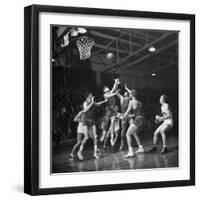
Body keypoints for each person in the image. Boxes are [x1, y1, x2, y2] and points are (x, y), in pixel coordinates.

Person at [83, 92, 107, 159]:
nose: (91, 95)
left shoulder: (92, 102)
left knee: (95, 136)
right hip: (86, 121)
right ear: (87, 96)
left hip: (92, 121)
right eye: (90, 94)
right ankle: (80, 150)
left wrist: (104, 101)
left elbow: (97, 104)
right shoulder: (85, 102)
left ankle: (95, 153)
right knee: (86, 137)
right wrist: (92, 102)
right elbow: (85, 110)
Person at [122, 89, 145, 158]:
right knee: (134, 132)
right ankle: (140, 147)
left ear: (131, 95)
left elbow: (127, 112)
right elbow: (136, 113)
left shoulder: (131, 102)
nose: (129, 95)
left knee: (127, 134)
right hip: (142, 119)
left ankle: (130, 151)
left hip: (138, 120)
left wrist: (123, 117)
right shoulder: (139, 102)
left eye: (130, 94)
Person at [100, 79, 120, 143]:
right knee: (106, 124)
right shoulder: (105, 95)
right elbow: (109, 96)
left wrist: (116, 82)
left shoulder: (111, 92)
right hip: (108, 110)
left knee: (112, 124)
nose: (107, 88)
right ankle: (103, 134)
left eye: (107, 87)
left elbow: (114, 88)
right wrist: (115, 93)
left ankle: (112, 138)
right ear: (104, 90)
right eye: (106, 88)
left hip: (113, 109)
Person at [117, 85, 131, 150]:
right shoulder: (122, 98)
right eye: (125, 93)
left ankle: (130, 143)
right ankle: (122, 144)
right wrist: (116, 85)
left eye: (127, 94)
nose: (126, 94)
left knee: (132, 129)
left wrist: (127, 88)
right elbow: (116, 93)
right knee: (123, 130)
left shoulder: (129, 99)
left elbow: (132, 93)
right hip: (124, 115)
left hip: (129, 115)